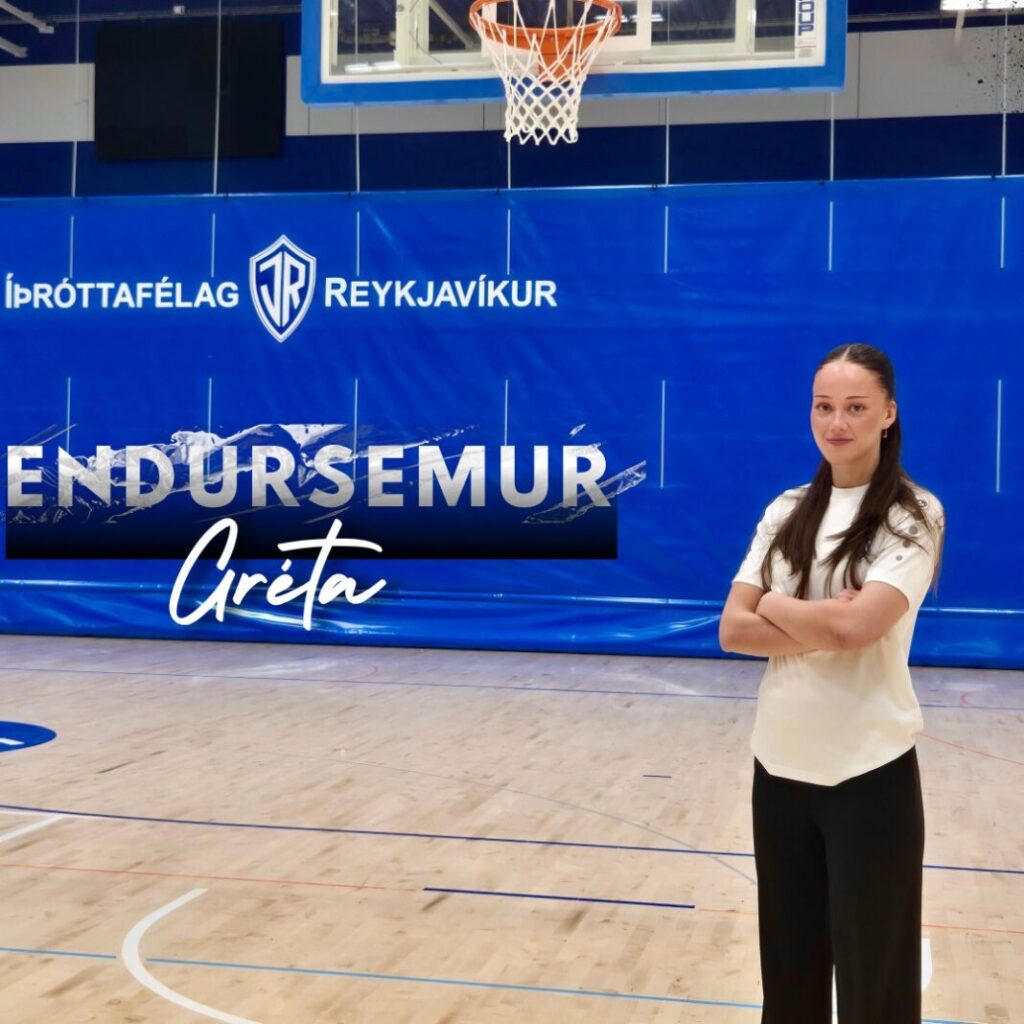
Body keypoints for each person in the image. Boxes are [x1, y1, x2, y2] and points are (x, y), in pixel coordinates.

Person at [718, 342, 946, 1024]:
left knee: (877, 986)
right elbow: (733, 629)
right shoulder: (787, 510)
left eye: (855, 407)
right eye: (823, 406)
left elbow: (858, 629)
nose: (836, 422)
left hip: (868, 772)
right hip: (779, 769)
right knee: (790, 981)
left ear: (888, 414)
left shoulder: (913, 515)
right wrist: (823, 617)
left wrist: (775, 605)